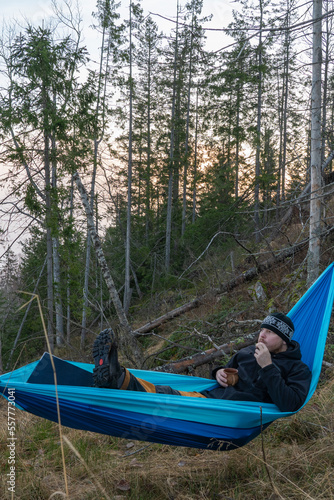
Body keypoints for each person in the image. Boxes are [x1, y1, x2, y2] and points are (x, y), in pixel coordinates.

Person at [92, 312, 312, 412]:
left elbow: (290, 404)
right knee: (167, 393)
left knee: (166, 397)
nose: (262, 335)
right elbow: (226, 370)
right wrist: (217, 373)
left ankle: (117, 378)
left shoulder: (297, 368)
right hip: (211, 399)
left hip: (235, 413)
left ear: (284, 340)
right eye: (261, 329)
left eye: (269, 332)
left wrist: (267, 366)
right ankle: (117, 377)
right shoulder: (247, 352)